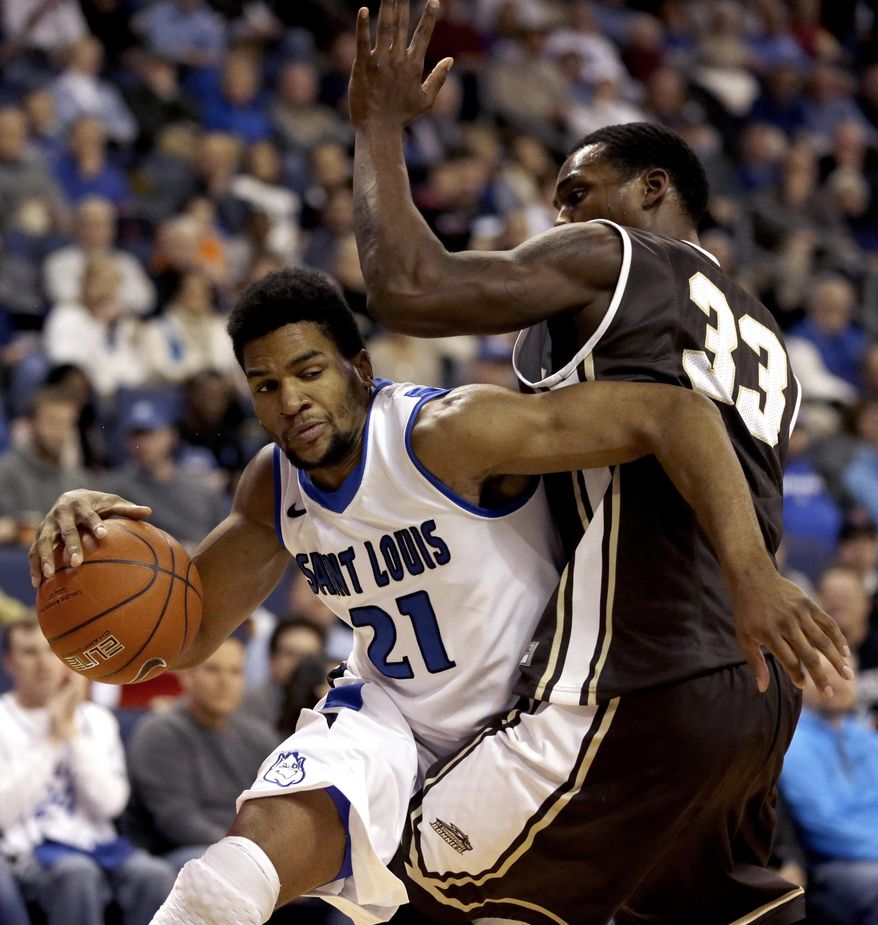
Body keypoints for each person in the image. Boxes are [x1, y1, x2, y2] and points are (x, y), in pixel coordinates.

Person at [31, 265, 846, 925]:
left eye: (308, 371)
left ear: (359, 369)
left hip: (532, 723)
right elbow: (177, 632)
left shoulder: (448, 433)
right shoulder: (270, 487)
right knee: (223, 883)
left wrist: (753, 571)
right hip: (386, 716)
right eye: (266, 385)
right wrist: (83, 551)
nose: (291, 401)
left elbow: (675, 415)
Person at [346, 3, 851, 922]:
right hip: (753, 689)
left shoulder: (617, 257)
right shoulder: (760, 325)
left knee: (400, 878)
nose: (563, 215)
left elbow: (406, 288)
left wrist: (378, 126)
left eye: (578, 192)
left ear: (653, 190)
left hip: (639, 671)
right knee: (734, 909)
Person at [0, 619, 176, 925]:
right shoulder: (3, 718)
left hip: (102, 848)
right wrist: (52, 741)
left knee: (155, 875)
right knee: (77, 872)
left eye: (51, 651)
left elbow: (111, 804)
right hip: (30, 854)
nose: (43, 663)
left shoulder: (97, 719)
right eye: (29, 652)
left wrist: (70, 732)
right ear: (9, 663)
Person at [125, 637, 280, 871]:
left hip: (249, 854)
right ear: (186, 675)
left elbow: (276, 810)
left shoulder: (259, 736)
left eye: (235, 672)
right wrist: (252, 856)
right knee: (221, 868)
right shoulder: (159, 733)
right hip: (175, 855)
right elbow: (177, 821)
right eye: (212, 670)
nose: (224, 682)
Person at [780, 657, 878, 925]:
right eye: (822, 672)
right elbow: (824, 826)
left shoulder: (865, 737)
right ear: (798, 681)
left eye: (845, 672)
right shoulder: (792, 744)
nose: (836, 680)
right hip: (835, 862)